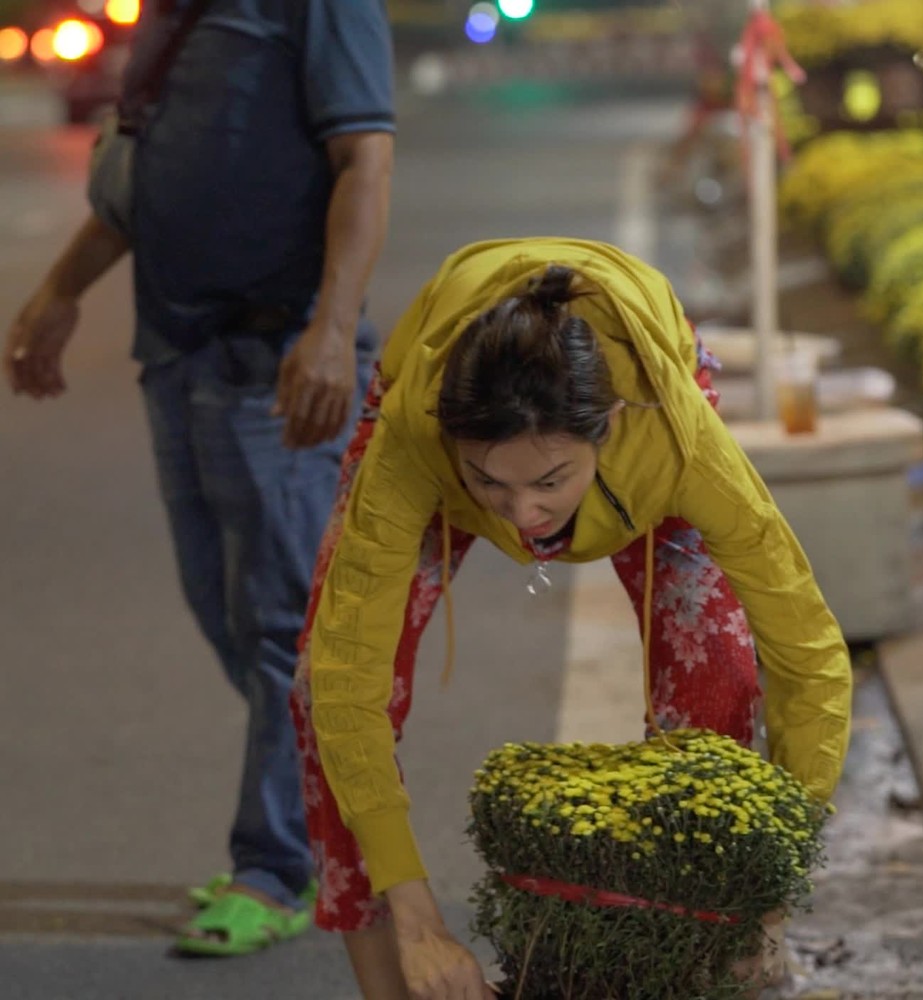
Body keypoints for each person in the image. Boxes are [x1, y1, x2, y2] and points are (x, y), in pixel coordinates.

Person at [289, 237, 853, 998]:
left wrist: (769, 894)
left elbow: (809, 657)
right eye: (491, 483)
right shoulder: (415, 440)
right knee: (317, 690)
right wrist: (417, 912)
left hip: (647, 418)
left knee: (718, 683)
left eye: (549, 481)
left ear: (608, 428)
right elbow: (346, 679)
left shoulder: (674, 444)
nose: (523, 516)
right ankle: (402, 976)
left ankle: (706, 964)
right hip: (425, 405)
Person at [2, 0, 394, 957]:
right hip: (180, 352)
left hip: (278, 357)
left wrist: (333, 331)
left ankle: (279, 866)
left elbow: (365, 161)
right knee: (227, 616)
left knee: (279, 628)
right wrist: (62, 289)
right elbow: (145, 177)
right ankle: (320, 805)